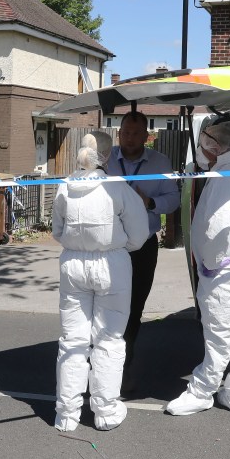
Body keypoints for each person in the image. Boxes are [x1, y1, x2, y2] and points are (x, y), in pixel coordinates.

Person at [165, 123, 230, 416]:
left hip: (225, 267)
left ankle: (202, 391)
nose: (200, 152)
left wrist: (211, 262)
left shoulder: (225, 177)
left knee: (218, 333)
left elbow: (219, 224)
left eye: (203, 146)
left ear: (215, 148)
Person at [53, 132, 148, 432]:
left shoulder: (63, 188)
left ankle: (66, 414)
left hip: (72, 265)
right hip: (112, 265)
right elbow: (139, 234)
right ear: (108, 156)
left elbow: (57, 230)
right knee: (108, 339)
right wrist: (115, 246)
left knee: (72, 339)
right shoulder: (117, 188)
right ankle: (105, 411)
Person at [110, 112, 181, 381]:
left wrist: (149, 203)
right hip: (111, 245)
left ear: (147, 136)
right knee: (107, 304)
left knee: (134, 306)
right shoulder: (105, 161)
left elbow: (173, 200)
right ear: (119, 134)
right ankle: (104, 363)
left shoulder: (160, 162)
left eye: (136, 133)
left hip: (143, 246)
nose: (129, 138)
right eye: (125, 132)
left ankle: (124, 365)